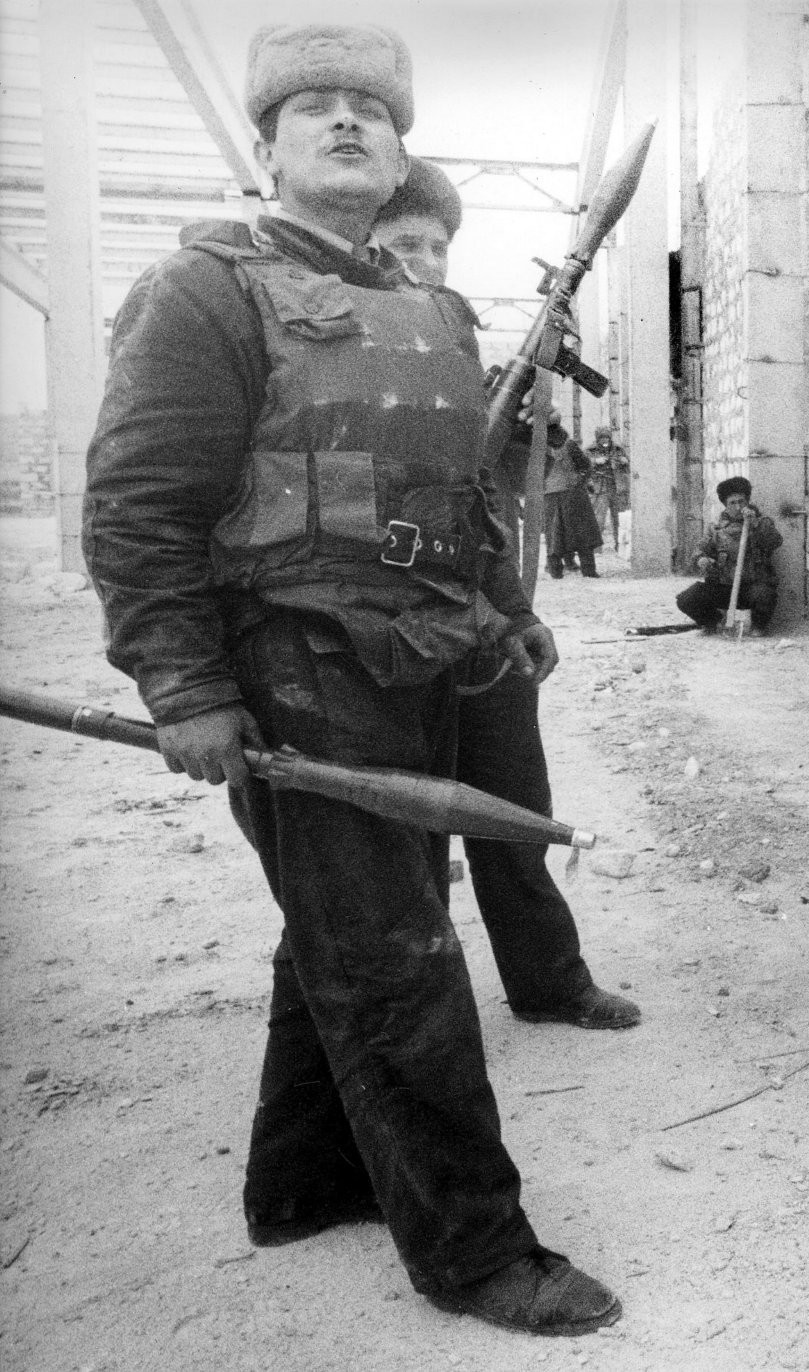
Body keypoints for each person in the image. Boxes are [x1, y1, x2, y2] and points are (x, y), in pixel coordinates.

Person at [83, 23, 620, 1334]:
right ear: (265, 145)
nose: (344, 124)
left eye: (369, 110)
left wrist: (498, 614)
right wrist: (186, 688)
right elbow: (139, 510)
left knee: (350, 929)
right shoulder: (203, 290)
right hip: (292, 669)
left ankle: (304, 1182)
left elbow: (445, 500)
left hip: (416, 663)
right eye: (312, 107)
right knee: (397, 956)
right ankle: (475, 1251)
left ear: (396, 151)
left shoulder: (429, 309)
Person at [372, 159, 642, 1033]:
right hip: (390, 641)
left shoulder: (454, 355)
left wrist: (516, 613)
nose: (422, 263)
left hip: (480, 637)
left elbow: (476, 509)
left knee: (517, 817)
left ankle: (549, 984)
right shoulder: (332, 364)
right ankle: (422, 1011)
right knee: (406, 840)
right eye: (401, 244)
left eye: (435, 247)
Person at [676, 476, 783, 634]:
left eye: (741, 501)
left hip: (751, 589)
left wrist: (755, 524)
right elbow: (698, 552)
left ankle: (758, 627)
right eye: (732, 503)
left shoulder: (761, 523)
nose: (738, 507)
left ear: (747, 502)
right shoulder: (716, 529)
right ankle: (715, 623)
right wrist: (701, 559)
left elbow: (775, 542)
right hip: (724, 589)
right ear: (725, 506)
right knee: (687, 598)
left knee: (765, 594)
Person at [543, 424, 601, 578]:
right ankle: (588, 570)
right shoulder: (569, 444)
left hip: (550, 496)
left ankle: (555, 572)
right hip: (573, 494)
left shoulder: (536, 447)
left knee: (553, 535)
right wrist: (579, 482)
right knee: (583, 534)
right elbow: (586, 466)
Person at [584, 426, 627, 548]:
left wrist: (625, 461)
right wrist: (595, 461)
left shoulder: (618, 449)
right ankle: (596, 548)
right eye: (602, 438)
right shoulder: (590, 450)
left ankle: (620, 546)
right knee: (598, 519)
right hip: (600, 488)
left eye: (607, 437)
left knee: (619, 519)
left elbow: (627, 468)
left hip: (617, 488)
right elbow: (581, 465)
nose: (605, 440)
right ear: (597, 439)